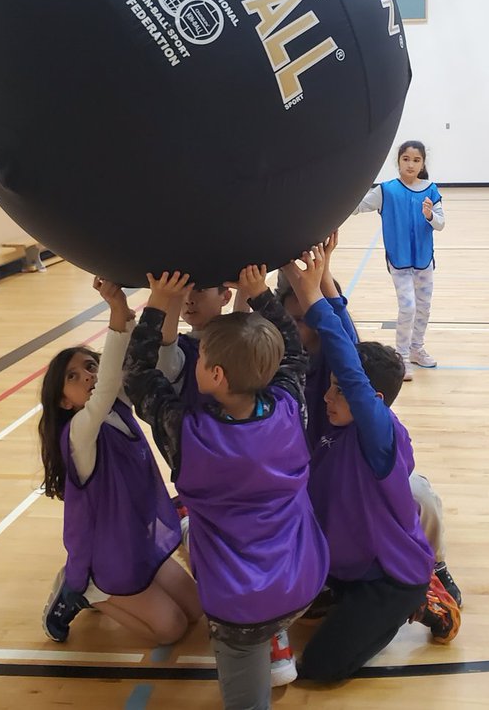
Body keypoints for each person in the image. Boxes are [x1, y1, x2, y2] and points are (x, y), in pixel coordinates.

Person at [123, 264, 329, 709]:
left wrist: (157, 302)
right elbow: (294, 354)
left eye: (201, 359)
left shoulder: (187, 433)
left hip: (238, 604)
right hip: (302, 580)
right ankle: (277, 640)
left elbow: (137, 376)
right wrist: (260, 294)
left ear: (216, 376)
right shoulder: (290, 405)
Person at [284, 247, 460, 684]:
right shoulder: (331, 414)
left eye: (341, 391)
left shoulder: (379, 434)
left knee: (320, 669)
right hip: (345, 565)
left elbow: (350, 365)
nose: (328, 396)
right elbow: (346, 345)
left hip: (391, 577)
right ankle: (346, 592)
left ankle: (424, 603)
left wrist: (313, 300)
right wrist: (321, 281)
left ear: (372, 402)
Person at [37, 276, 201, 645]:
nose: (89, 377)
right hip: (109, 556)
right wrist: (124, 310)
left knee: (196, 609)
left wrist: (126, 314)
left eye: (90, 367)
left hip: (137, 540)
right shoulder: (79, 433)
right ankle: (81, 590)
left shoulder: (118, 408)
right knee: (171, 630)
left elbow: (125, 368)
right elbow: (110, 380)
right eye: (74, 377)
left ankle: (95, 587)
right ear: (64, 401)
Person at [352, 140, 444, 380]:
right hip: (400, 261)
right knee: (408, 307)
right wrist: (342, 192)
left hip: (424, 261)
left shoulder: (431, 190)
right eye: (406, 159)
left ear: (423, 163)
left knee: (423, 308)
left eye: (416, 160)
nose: (411, 164)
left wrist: (429, 214)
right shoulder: (387, 190)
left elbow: (441, 223)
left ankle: (416, 349)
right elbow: (358, 206)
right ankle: (401, 356)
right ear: (398, 161)